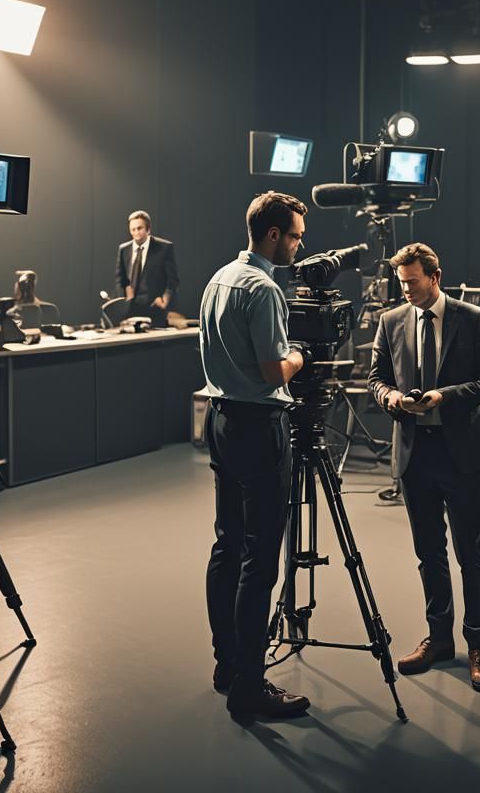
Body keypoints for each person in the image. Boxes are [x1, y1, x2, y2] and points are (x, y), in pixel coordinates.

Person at [369, 242, 480, 692]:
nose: (404, 289)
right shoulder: (390, 321)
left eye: (412, 281)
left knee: (472, 553)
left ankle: (478, 644)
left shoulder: (473, 318)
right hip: (414, 454)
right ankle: (440, 638)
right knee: (428, 552)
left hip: (461, 453)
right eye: (400, 282)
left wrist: (446, 395)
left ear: (435, 276)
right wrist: (389, 397)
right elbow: (375, 378)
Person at [199, 191, 311, 722]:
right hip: (258, 426)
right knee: (260, 557)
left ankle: (226, 664)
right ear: (272, 235)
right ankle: (249, 683)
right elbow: (272, 372)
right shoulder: (264, 290)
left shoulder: (218, 279)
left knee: (228, 543)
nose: (297, 245)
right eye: (294, 236)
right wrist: (299, 356)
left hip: (220, 420)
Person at [115, 211, 179, 326]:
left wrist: (165, 300)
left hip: (155, 311)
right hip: (130, 312)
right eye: (132, 229)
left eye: (139, 228)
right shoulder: (124, 249)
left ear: (148, 229)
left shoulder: (164, 248)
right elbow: (120, 279)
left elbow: (173, 280)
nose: (136, 232)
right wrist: (123, 300)